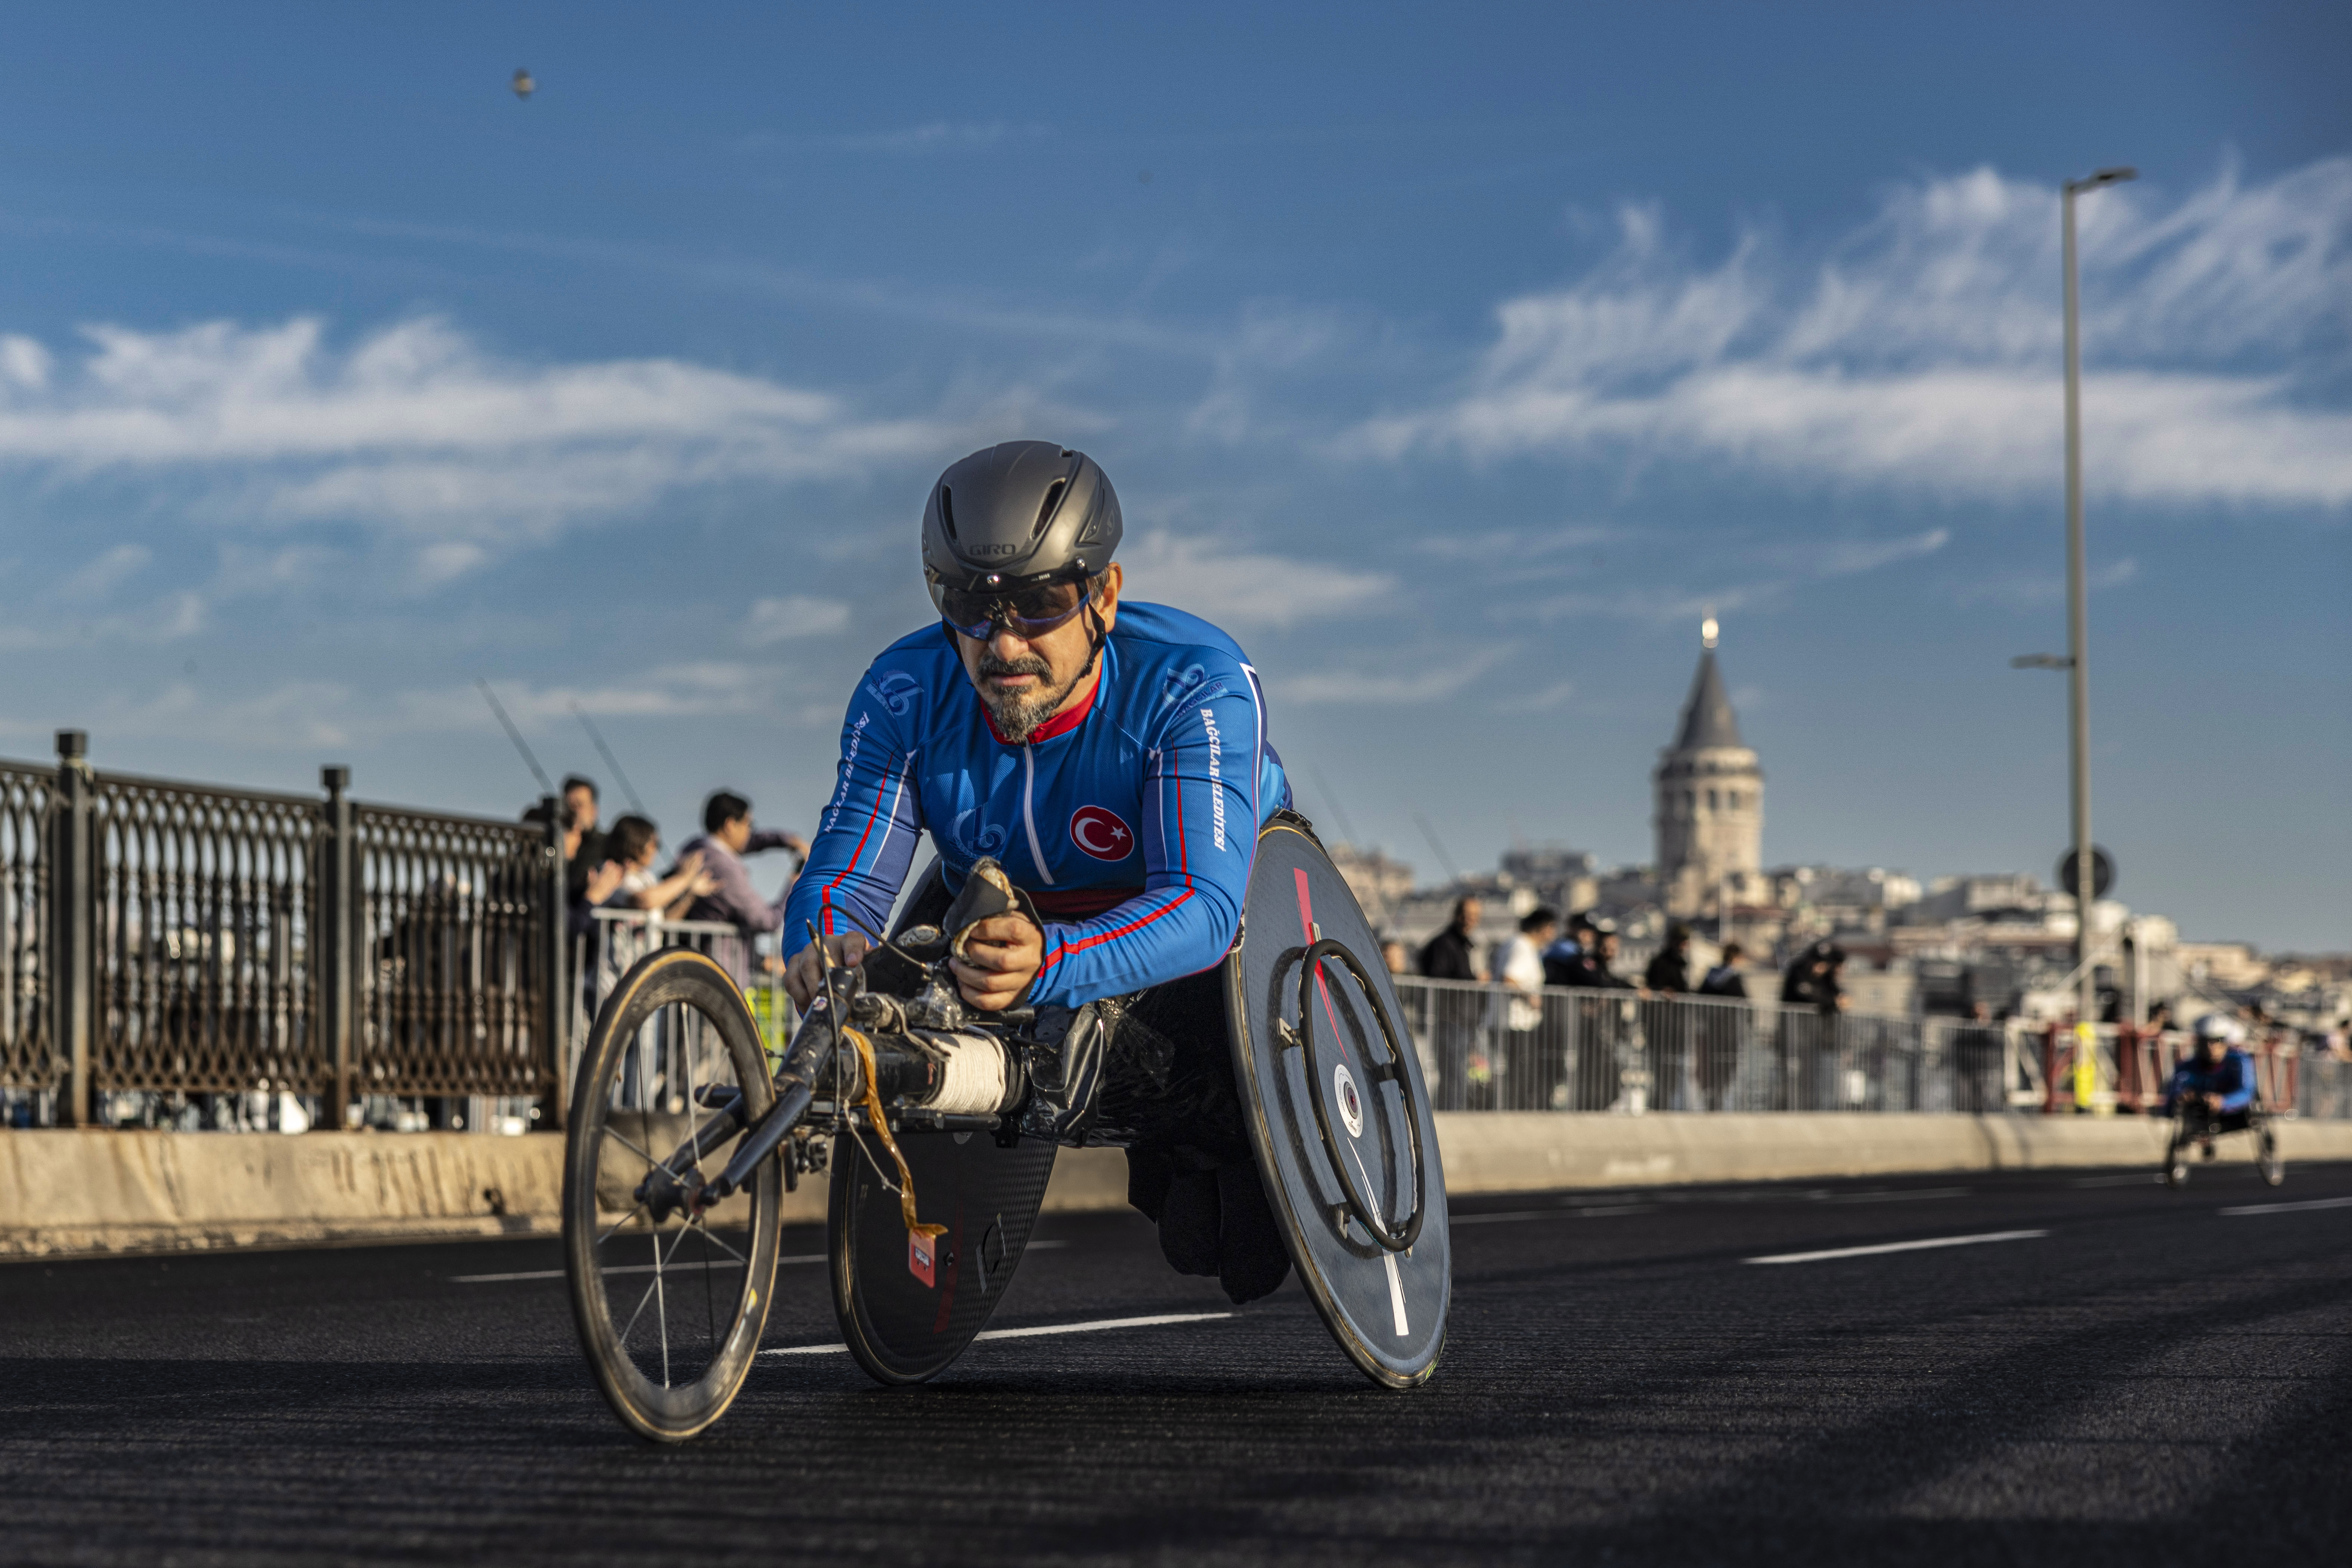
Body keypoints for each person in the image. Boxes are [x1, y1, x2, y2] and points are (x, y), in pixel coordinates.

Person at [778, 441, 1294, 1304]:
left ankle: (1205, 1128)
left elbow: (1204, 906)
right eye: (968, 606)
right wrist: (823, 944)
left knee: (1225, 1245)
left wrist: (1050, 959)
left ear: (1104, 593)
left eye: (1038, 601)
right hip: (1014, 900)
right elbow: (850, 873)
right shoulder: (902, 690)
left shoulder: (1191, 680)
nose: (1002, 640)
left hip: (1198, 927)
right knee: (902, 986)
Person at [676, 790, 811, 978]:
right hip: (721, 977)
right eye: (749, 824)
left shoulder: (696, 849)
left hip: (694, 968)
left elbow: (751, 843)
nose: (751, 832)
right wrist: (794, 884)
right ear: (731, 825)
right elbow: (767, 920)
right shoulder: (724, 868)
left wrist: (787, 840)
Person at [2166, 1014, 2258, 1158]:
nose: (2211, 1047)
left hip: (2233, 1110)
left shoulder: (2240, 1061)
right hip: (2202, 1108)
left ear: (2227, 1042)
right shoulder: (2186, 1066)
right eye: (2205, 1041)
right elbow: (2173, 1093)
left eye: (2218, 1041)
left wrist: (2224, 1101)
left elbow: (2247, 1092)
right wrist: (2182, 1096)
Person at [598, 815, 715, 919]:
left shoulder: (647, 876)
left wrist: (690, 895)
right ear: (636, 843)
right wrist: (685, 878)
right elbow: (644, 901)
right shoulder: (610, 870)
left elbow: (664, 921)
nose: (656, 850)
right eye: (654, 844)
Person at [1694, 941, 1748, 1110]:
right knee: (1725, 1070)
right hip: (1728, 1033)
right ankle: (1719, 1102)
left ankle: (1712, 1101)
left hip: (1710, 1031)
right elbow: (1745, 1004)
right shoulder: (1733, 978)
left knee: (1712, 1069)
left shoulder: (1710, 976)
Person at [1417, 897, 1484, 982]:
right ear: (1457, 916)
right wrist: (1475, 980)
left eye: (1475, 916)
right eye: (1467, 915)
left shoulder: (1463, 944)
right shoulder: (1444, 944)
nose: (1469, 921)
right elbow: (1439, 979)